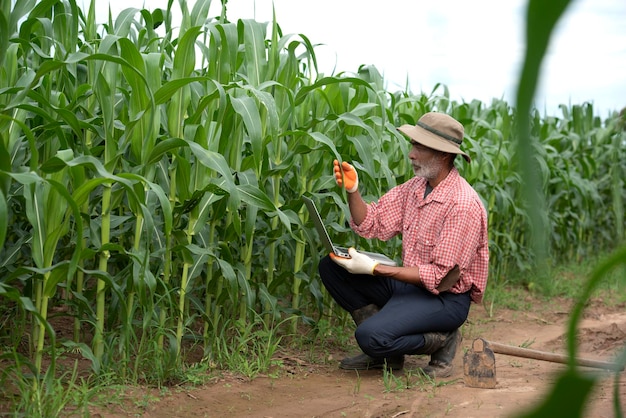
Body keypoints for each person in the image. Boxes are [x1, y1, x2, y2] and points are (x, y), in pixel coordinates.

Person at [318, 112, 489, 378]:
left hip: (445, 298)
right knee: (332, 266)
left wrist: (375, 268)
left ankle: (442, 341)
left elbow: (439, 277)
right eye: (413, 145)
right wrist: (353, 191)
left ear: (443, 155)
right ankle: (388, 355)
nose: (411, 154)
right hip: (412, 287)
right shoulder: (415, 188)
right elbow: (372, 222)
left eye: (419, 147)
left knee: (369, 336)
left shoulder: (462, 204)